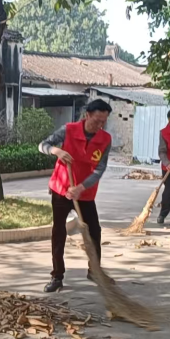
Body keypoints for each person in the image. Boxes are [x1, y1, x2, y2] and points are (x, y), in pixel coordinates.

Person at [39, 99, 113, 293]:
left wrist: (81, 187)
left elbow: (100, 169)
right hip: (61, 190)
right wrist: (56, 150)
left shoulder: (105, 139)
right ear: (87, 115)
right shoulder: (68, 130)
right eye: (97, 120)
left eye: (103, 121)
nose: (100, 125)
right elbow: (43, 145)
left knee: (94, 231)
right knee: (59, 232)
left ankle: (94, 271)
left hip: (85, 193)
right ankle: (57, 276)